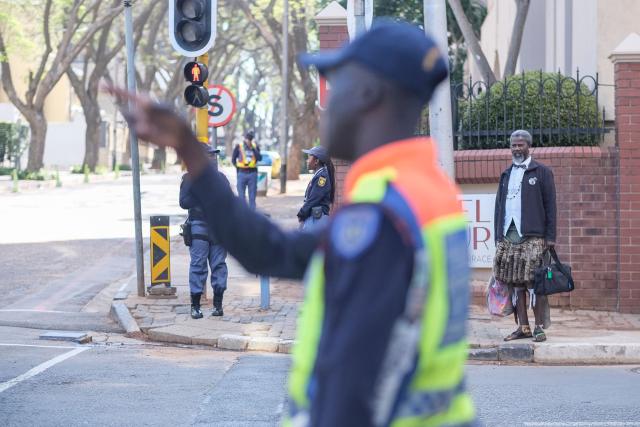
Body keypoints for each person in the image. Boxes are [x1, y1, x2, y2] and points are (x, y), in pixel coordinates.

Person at [106, 20, 476, 427]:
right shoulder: (422, 193)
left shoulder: (383, 216)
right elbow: (270, 251)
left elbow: (351, 388)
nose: (324, 106)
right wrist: (189, 150)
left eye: (336, 87)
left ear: (369, 94)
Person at [493, 129, 557, 342]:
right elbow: (499, 207)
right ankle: (523, 327)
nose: (516, 148)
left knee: (535, 283)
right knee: (515, 283)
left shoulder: (542, 172)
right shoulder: (506, 174)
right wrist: (497, 236)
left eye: (520, 145)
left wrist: (550, 237)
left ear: (529, 146)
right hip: (509, 236)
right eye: (513, 145)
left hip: (534, 237)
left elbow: (551, 206)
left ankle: (539, 327)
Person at [179, 145, 229, 318]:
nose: (213, 159)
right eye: (209, 156)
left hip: (218, 228)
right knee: (198, 266)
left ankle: (218, 305)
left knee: (219, 266)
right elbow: (183, 202)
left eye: (214, 156)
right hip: (199, 226)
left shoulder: (221, 178)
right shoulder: (189, 178)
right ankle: (195, 306)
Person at [298, 146, 335, 230]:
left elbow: (314, 198)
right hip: (314, 218)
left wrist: (302, 213)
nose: (307, 161)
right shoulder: (319, 175)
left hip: (317, 219)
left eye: (309, 158)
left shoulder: (322, 177)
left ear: (316, 161)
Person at [232, 130, 262, 210]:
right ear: (245, 138)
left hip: (252, 174)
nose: (249, 140)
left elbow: (259, 158)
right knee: (241, 196)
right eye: (247, 138)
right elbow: (233, 159)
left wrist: (253, 149)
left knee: (252, 197)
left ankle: (252, 217)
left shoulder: (255, 147)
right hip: (241, 173)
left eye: (250, 139)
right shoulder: (239, 146)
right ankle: (243, 215)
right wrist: (238, 169)